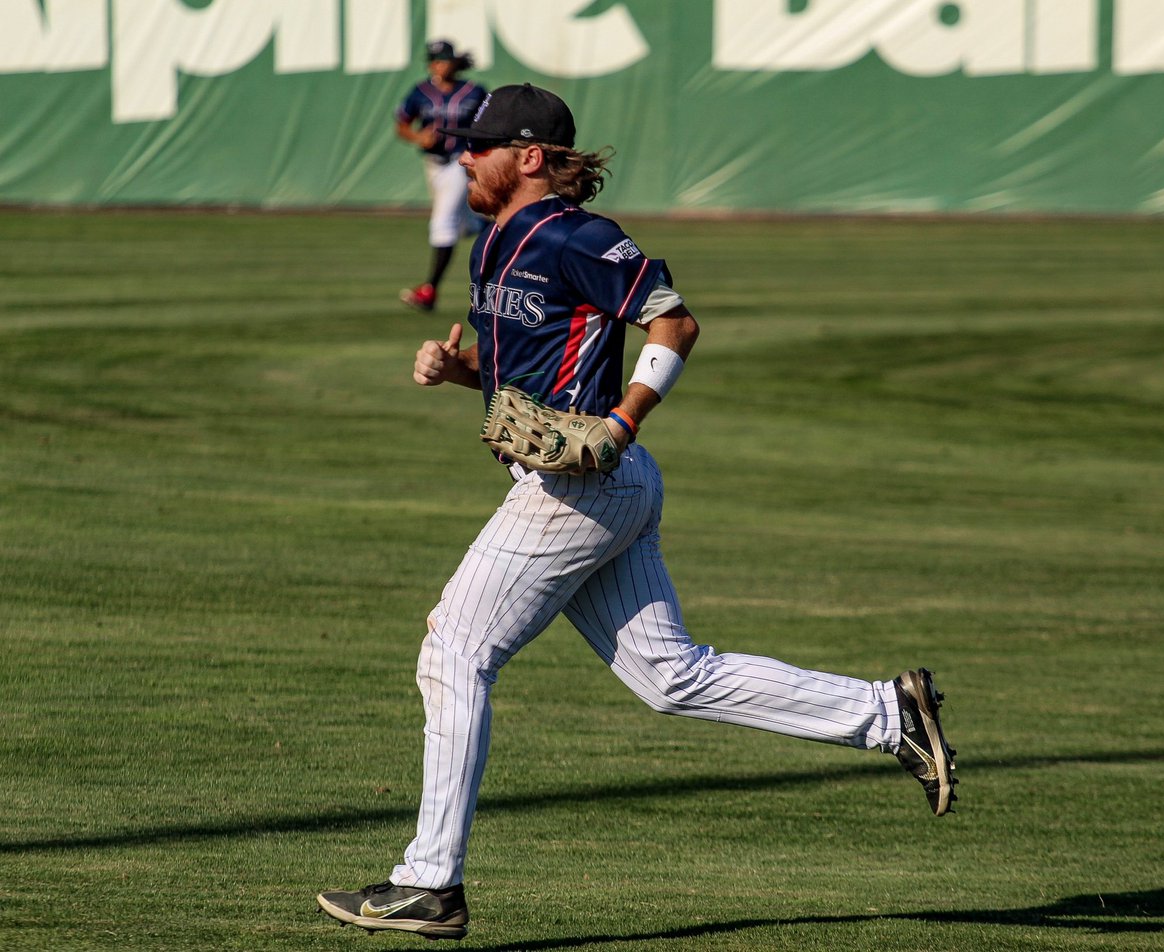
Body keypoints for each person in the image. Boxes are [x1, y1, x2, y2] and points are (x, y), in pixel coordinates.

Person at [318, 84, 958, 941]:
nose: (462, 155)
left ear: (530, 157)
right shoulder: (491, 240)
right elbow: (520, 381)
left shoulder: (579, 236)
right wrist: (456, 371)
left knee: (454, 651)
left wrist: (623, 420)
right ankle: (887, 713)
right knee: (671, 676)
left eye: (480, 144)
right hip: (587, 490)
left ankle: (430, 884)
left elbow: (675, 326)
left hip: (581, 490)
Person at [394, 40, 488, 312]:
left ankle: (430, 290)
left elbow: (490, 125)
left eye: (444, 59)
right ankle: (497, 229)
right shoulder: (421, 91)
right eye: (435, 60)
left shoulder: (474, 91)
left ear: (454, 62)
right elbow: (401, 125)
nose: (439, 65)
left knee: (443, 223)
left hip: (461, 162)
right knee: (464, 224)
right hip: (433, 164)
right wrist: (417, 137)